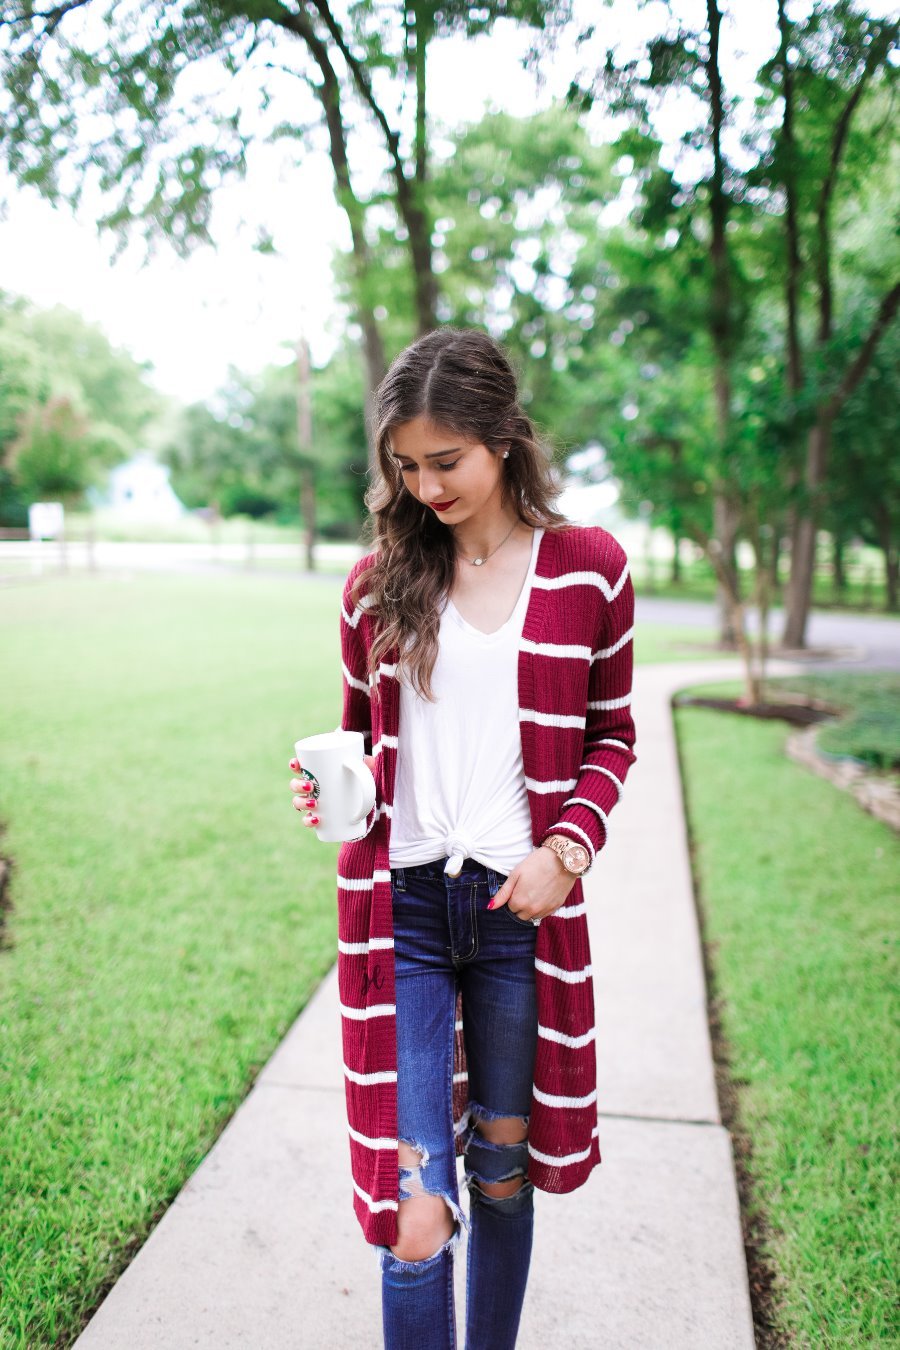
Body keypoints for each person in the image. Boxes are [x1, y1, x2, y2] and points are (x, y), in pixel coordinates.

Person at [289, 327, 637, 1350]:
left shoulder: (588, 570)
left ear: (504, 440)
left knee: (501, 1172)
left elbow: (612, 735)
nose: (426, 485)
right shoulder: (375, 584)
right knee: (414, 1211)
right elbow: (361, 734)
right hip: (402, 918)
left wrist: (566, 849)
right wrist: (335, 792)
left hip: (515, 915)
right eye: (406, 465)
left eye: (447, 462)